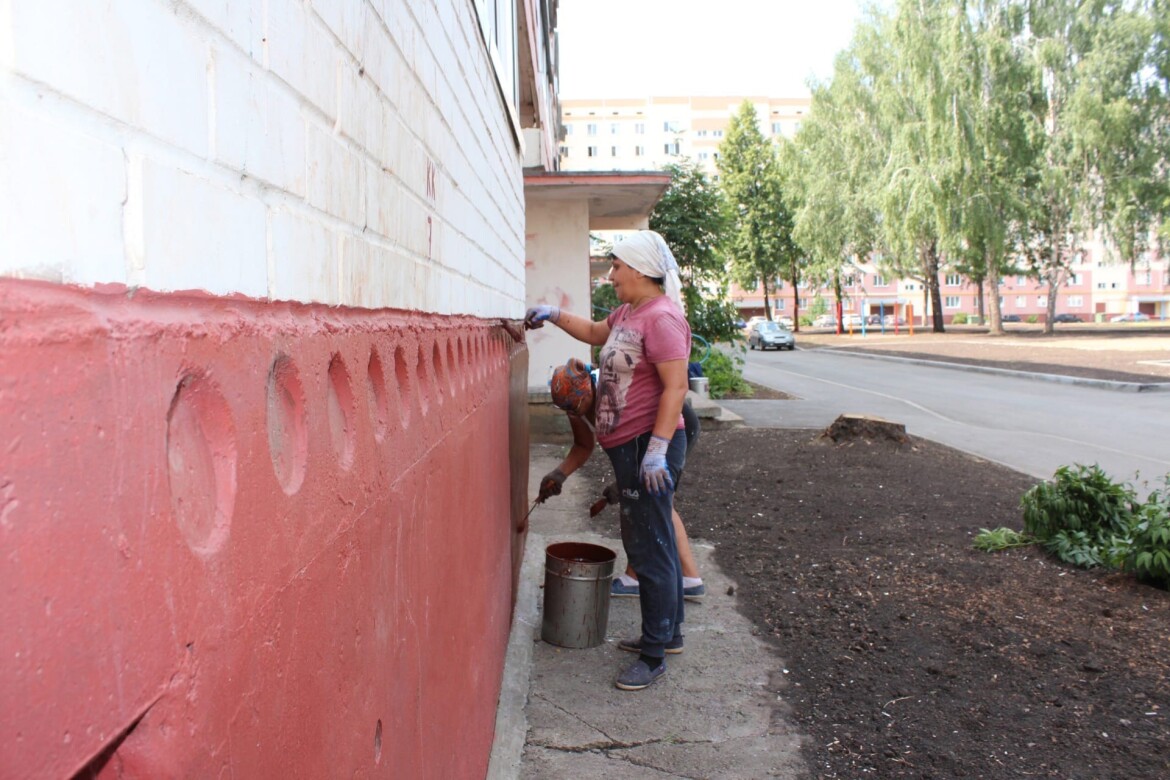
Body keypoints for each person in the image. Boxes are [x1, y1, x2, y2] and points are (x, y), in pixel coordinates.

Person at [525, 230, 690, 691]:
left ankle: (654, 656)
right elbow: (596, 333)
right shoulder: (628, 313)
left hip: (645, 445)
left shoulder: (662, 318)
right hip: (630, 446)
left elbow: (677, 387)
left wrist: (656, 451)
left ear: (639, 269)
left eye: (616, 267)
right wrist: (554, 314)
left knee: (648, 548)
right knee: (654, 543)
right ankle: (668, 635)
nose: (611, 275)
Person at [538, 358, 706, 602]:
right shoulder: (574, 399)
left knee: (648, 501)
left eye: (576, 406)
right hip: (645, 438)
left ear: (589, 390)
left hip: (671, 428)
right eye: (568, 409)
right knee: (654, 502)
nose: (573, 412)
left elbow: (640, 443)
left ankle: (638, 577)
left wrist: (626, 483)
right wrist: (559, 474)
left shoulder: (615, 392)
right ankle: (688, 579)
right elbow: (584, 445)